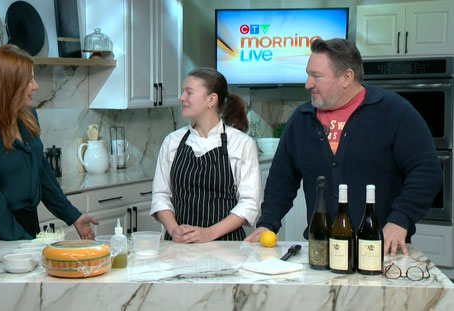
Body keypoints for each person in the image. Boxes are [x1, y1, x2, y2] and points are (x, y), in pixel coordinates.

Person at [245, 38, 442, 256]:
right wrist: (267, 223)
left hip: (381, 248)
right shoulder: (301, 120)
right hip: (321, 249)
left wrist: (400, 219)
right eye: (308, 74)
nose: (308, 84)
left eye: (316, 76)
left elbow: (426, 171)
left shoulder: (394, 112)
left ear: (346, 77)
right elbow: (282, 179)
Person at [0, 44, 98, 248]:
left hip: (26, 225)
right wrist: (27, 244)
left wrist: (73, 216)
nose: (35, 86)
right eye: (28, 80)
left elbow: (43, 175)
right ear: (9, 84)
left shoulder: (28, 117)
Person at [151, 68, 261, 242]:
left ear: (211, 99)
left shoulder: (242, 144)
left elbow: (249, 203)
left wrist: (208, 233)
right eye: (182, 92)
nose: (182, 98)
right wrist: (174, 230)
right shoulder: (172, 142)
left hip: (226, 247)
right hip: (180, 246)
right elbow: (161, 195)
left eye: (189, 92)